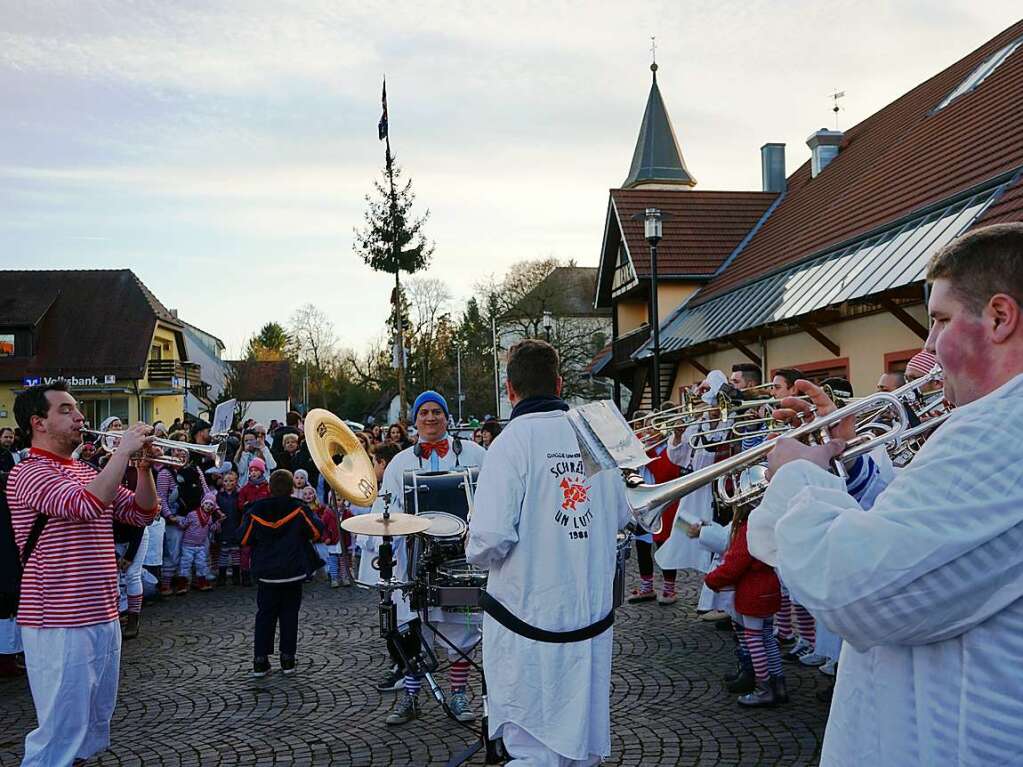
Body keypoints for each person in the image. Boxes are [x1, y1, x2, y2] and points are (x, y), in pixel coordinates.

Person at [749, 222, 1023, 765]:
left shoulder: (998, 430)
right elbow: (926, 536)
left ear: (999, 317)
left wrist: (796, 478)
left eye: (940, 320)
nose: (928, 346)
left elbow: (853, 590)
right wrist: (846, 467)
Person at [467, 339, 630, 765]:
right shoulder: (593, 436)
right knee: (582, 739)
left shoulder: (509, 443)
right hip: (589, 621)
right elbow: (617, 516)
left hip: (530, 624)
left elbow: (488, 541)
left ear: (510, 389)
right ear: (559, 383)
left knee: (532, 743)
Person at [8, 382, 159, 766]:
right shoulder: (27, 473)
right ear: (37, 423)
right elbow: (86, 505)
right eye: (66, 409)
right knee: (59, 731)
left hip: (103, 611)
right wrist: (123, 452)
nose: (79, 416)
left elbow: (142, 513)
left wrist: (143, 469)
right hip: (57, 617)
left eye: (77, 408)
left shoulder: (84, 469)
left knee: (90, 724)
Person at [372, 390, 487, 726]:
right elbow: (385, 505)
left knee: (462, 628)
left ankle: (459, 694)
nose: (431, 418)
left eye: (437, 411)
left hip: (462, 561)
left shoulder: (477, 455)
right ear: (415, 420)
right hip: (415, 558)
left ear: (447, 417)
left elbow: (497, 496)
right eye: (424, 413)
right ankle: (410, 697)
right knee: (410, 627)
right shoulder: (400, 462)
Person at [241, 469, 324, 677]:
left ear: (269, 488)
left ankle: (260, 660)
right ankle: (288, 658)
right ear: (291, 488)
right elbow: (316, 531)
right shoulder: (299, 508)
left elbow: (243, 538)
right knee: (289, 615)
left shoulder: (256, 509)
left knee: (264, 615)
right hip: (292, 570)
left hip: (266, 572)